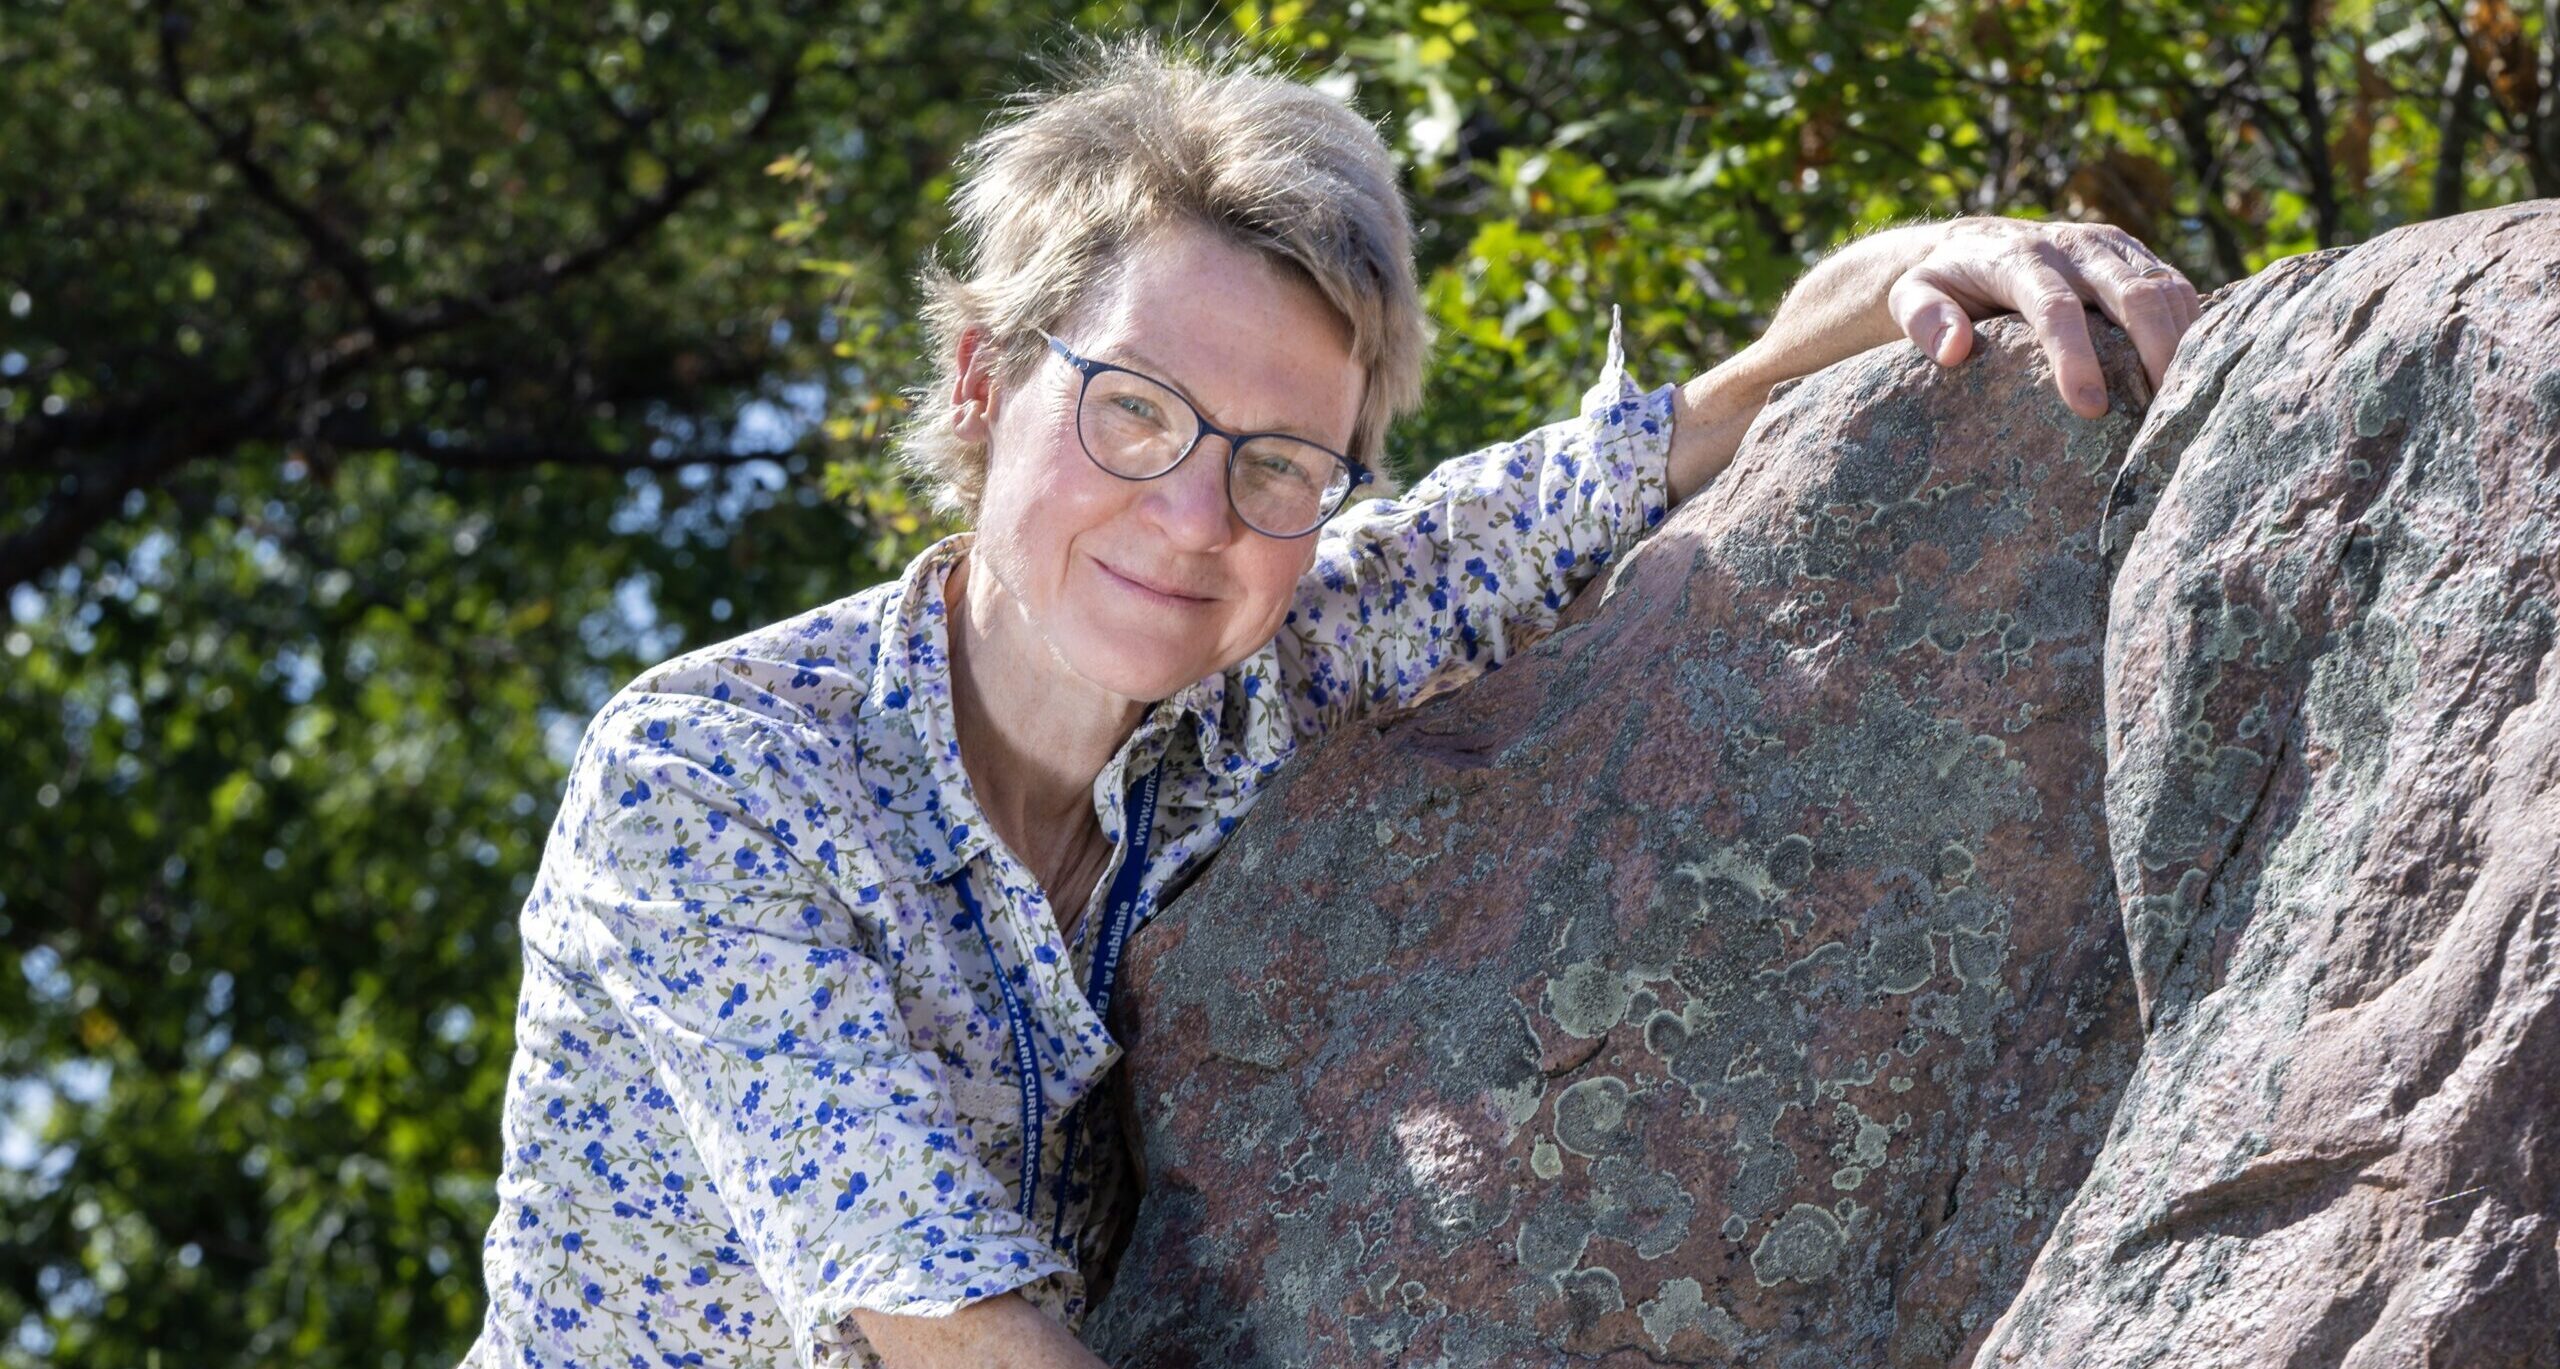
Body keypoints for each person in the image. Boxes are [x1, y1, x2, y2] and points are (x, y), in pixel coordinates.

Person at [458, 35, 2199, 1369]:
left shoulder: (1272, 659)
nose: (1195, 517)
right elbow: (947, 1323)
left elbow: (1686, 426)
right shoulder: (716, 779)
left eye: (1283, 460)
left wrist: (1972, 250)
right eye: (1132, 410)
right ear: (986, 380)